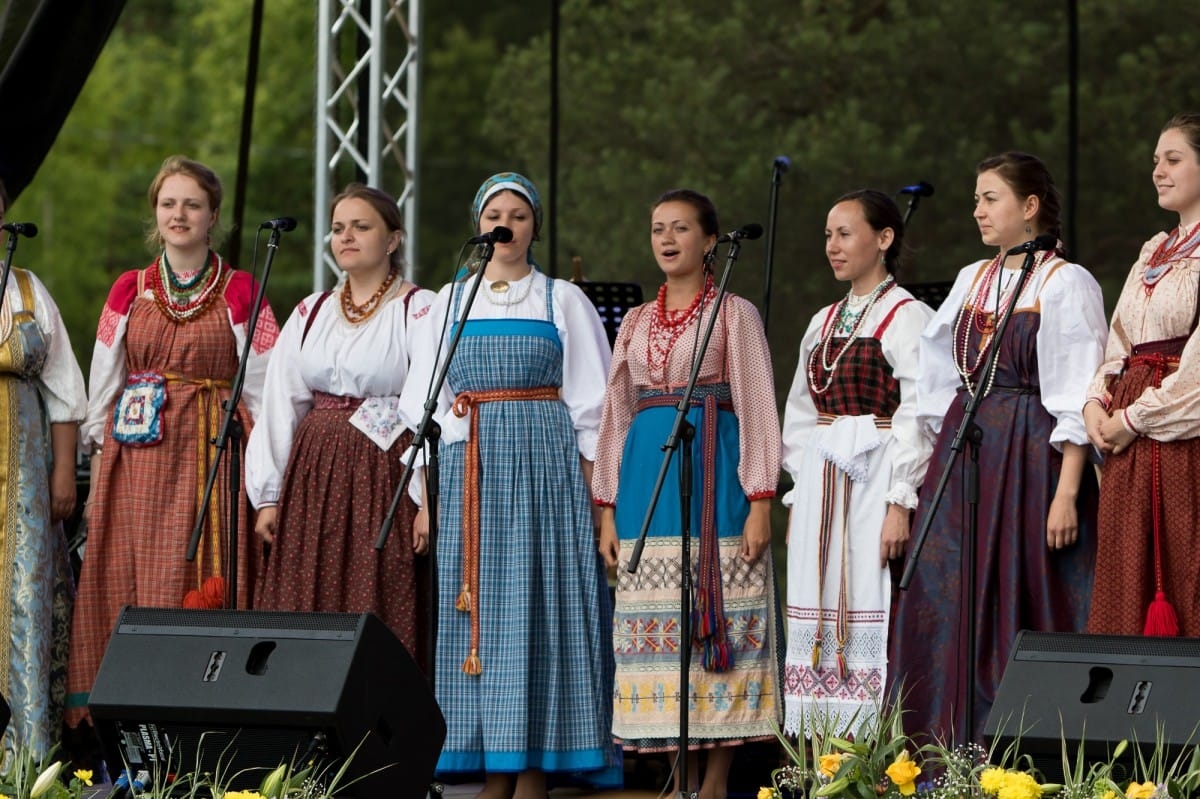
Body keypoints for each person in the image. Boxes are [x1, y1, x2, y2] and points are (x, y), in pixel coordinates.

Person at [398, 172, 619, 797]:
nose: (506, 224)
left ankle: (535, 771)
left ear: (534, 228)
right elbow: (423, 403)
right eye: (495, 213)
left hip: (547, 473)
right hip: (472, 474)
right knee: (484, 618)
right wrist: (423, 499)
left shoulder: (561, 300)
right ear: (478, 225)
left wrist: (597, 503)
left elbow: (592, 408)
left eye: (518, 215)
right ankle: (494, 766)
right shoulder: (451, 300)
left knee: (543, 614)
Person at [889, 152, 1106, 744]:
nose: (977, 210)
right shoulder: (971, 278)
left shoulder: (1067, 282)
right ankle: (942, 745)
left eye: (991, 198)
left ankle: (1017, 750)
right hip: (966, 452)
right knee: (945, 590)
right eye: (976, 199)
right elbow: (935, 381)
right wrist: (922, 476)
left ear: (1029, 207)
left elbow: (1079, 390)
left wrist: (1066, 492)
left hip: (1031, 455)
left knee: (1023, 588)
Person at [67, 155, 277, 726]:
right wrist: (99, 461)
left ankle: (198, 721)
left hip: (208, 455)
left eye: (192, 204)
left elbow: (263, 388)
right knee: (129, 579)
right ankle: (124, 728)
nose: (178, 214)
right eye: (168, 204)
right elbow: (103, 381)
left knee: (192, 577)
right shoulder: (127, 290)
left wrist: (263, 477)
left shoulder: (240, 289)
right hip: (135, 462)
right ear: (155, 215)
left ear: (213, 217)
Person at [593, 188, 782, 799]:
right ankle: (680, 778)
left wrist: (759, 500)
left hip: (716, 478)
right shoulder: (637, 323)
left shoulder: (735, 314)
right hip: (648, 481)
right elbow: (616, 415)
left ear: (708, 240)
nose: (667, 239)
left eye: (680, 228)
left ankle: (716, 782)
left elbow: (756, 406)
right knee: (658, 631)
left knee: (716, 623)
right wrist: (606, 509)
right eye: (657, 229)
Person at [246, 183, 433, 661]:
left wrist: (425, 495)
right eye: (337, 228)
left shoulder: (421, 309)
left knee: (377, 588)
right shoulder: (312, 312)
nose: (346, 237)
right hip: (314, 476)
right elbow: (281, 402)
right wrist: (269, 495)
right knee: (307, 587)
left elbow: (430, 405)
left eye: (361, 226)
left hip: (384, 473)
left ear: (393, 239)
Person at [780, 190, 934, 737]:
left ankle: (874, 749)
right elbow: (801, 412)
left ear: (884, 239)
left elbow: (919, 412)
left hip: (877, 477)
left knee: (870, 591)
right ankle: (822, 756)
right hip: (824, 481)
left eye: (845, 233)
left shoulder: (908, 316)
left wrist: (900, 502)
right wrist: (799, 494)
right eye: (828, 235)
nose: (833, 246)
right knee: (815, 596)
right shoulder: (822, 321)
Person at [1084, 113, 1200, 637]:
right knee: (1125, 574)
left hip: (1179, 437)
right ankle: (1123, 717)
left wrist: (1134, 416)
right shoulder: (1154, 249)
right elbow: (1120, 341)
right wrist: (1096, 402)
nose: (1158, 170)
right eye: (1156, 160)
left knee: (1182, 567)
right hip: (1127, 440)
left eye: (1173, 160)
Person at [0, 178, 87, 758]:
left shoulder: (29, 290)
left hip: (26, 476)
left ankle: (23, 759)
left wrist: (63, 473)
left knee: (25, 600)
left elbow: (64, 391)